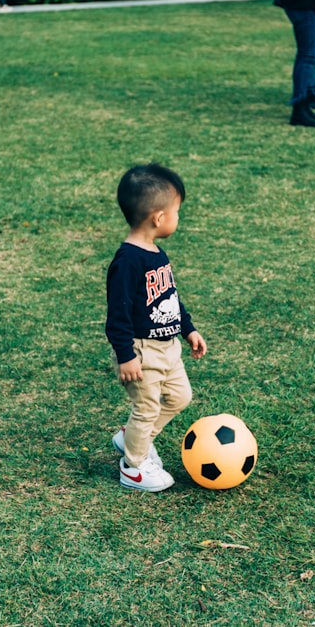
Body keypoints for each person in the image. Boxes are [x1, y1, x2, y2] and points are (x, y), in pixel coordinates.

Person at [106, 163, 207, 492]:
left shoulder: (156, 253)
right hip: (142, 351)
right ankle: (133, 467)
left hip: (169, 348)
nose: (179, 217)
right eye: (177, 211)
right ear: (158, 218)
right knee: (146, 407)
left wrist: (188, 328)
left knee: (180, 397)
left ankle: (131, 437)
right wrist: (126, 356)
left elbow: (169, 297)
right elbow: (117, 315)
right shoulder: (128, 261)